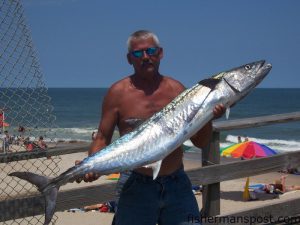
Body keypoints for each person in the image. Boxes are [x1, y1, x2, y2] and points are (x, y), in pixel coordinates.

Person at [77, 30, 225, 225]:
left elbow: (201, 141)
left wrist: (209, 117)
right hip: (136, 184)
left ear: (160, 53)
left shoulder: (177, 90)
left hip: (176, 183)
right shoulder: (117, 93)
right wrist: (91, 165)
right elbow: (102, 137)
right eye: (138, 53)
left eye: (151, 51)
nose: (146, 57)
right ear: (129, 59)